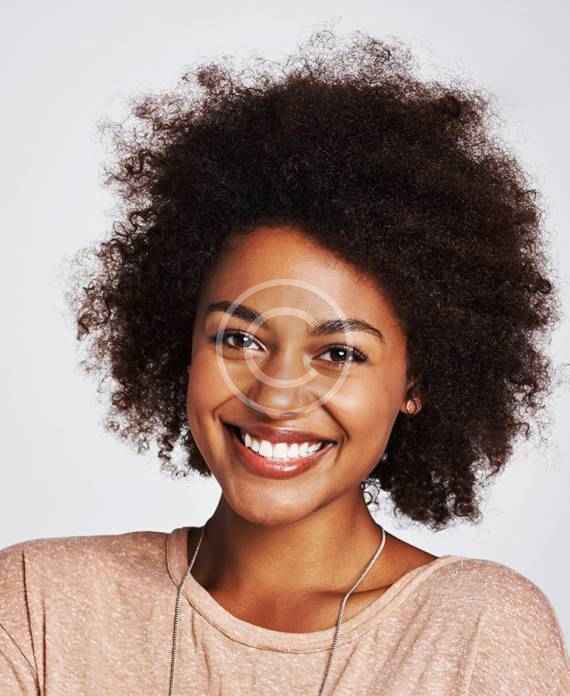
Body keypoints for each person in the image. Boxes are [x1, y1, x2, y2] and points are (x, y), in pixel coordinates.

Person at [1, 29, 569, 695]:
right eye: (240, 340)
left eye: (339, 353)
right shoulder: (40, 607)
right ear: (183, 342)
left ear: (414, 381)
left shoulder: (474, 632)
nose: (275, 394)